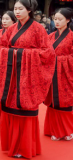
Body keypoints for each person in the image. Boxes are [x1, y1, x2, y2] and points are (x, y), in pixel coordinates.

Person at [0, 0, 56, 159]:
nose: (17, 11)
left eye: (20, 9)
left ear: (29, 10)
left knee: (25, 111)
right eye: (15, 9)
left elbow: (48, 53)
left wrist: (22, 54)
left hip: (28, 77)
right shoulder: (12, 28)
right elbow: (1, 46)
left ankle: (25, 147)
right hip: (12, 76)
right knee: (11, 110)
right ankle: (13, 146)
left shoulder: (38, 29)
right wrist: (13, 53)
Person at [44, 8, 73, 141]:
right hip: (52, 74)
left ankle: (67, 130)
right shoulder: (50, 37)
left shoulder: (72, 37)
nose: (56, 21)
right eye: (55, 19)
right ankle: (53, 129)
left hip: (66, 75)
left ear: (67, 20)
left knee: (65, 101)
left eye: (60, 19)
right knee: (53, 102)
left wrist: (58, 60)